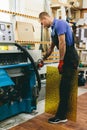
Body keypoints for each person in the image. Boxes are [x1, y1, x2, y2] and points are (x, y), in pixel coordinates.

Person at [39, 12, 79, 124]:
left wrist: (61, 61)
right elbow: (51, 48)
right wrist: (43, 59)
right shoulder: (53, 29)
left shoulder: (60, 24)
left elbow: (62, 43)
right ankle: (62, 114)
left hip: (70, 59)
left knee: (65, 88)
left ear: (45, 18)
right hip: (66, 59)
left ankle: (62, 116)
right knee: (63, 87)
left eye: (42, 23)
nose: (43, 25)